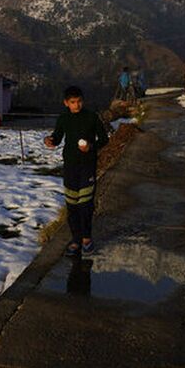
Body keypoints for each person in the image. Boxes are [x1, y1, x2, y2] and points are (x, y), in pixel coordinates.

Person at [44, 86, 111, 257]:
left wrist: (90, 147)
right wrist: (50, 140)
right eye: (73, 102)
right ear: (66, 103)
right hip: (70, 166)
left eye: (79, 101)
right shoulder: (64, 118)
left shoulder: (91, 117)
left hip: (87, 166)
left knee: (85, 205)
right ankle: (75, 239)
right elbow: (57, 137)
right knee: (72, 205)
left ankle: (86, 239)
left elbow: (104, 139)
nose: (77, 105)